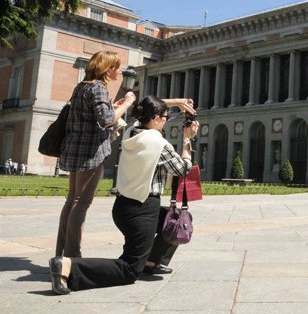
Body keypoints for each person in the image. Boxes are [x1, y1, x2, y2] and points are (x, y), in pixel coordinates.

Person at [48, 95, 200, 295]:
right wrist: (187, 140)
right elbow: (182, 169)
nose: (167, 118)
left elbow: (143, 109)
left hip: (122, 209)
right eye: (165, 115)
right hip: (143, 211)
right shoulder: (160, 144)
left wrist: (175, 103)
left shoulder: (132, 131)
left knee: (176, 221)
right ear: (155, 119)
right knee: (129, 269)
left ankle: (151, 262)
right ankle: (67, 266)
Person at [56, 51, 137, 258]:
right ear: (107, 69)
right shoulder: (99, 87)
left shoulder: (82, 86)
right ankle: (72, 256)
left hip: (75, 148)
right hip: (90, 151)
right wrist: (127, 103)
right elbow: (107, 120)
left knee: (72, 199)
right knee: (81, 203)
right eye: (117, 67)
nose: (119, 71)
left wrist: (112, 106)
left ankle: (62, 252)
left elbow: (94, 114)